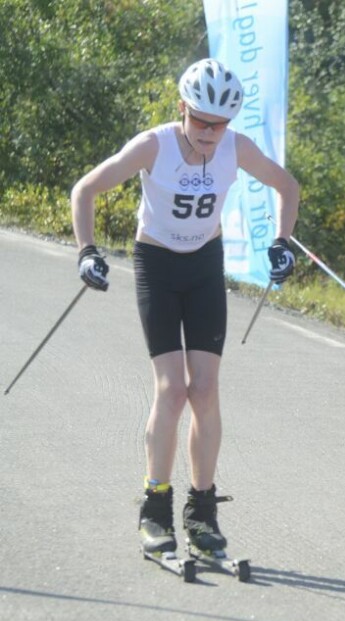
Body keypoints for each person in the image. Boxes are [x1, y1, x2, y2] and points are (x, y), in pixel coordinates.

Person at [71, 58, 299, 555]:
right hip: (157, 264)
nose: (209, 134)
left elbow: (287, 186)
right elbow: (85, 189)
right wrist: (87, 251)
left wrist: (283, 241)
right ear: (183, 110)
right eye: (200, 121)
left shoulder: (235, 148)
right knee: (172, 389)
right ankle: (155, 507)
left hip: (203, 267)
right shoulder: (154, 145)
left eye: (219, 124)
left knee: (207, 388)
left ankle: (202, 510)